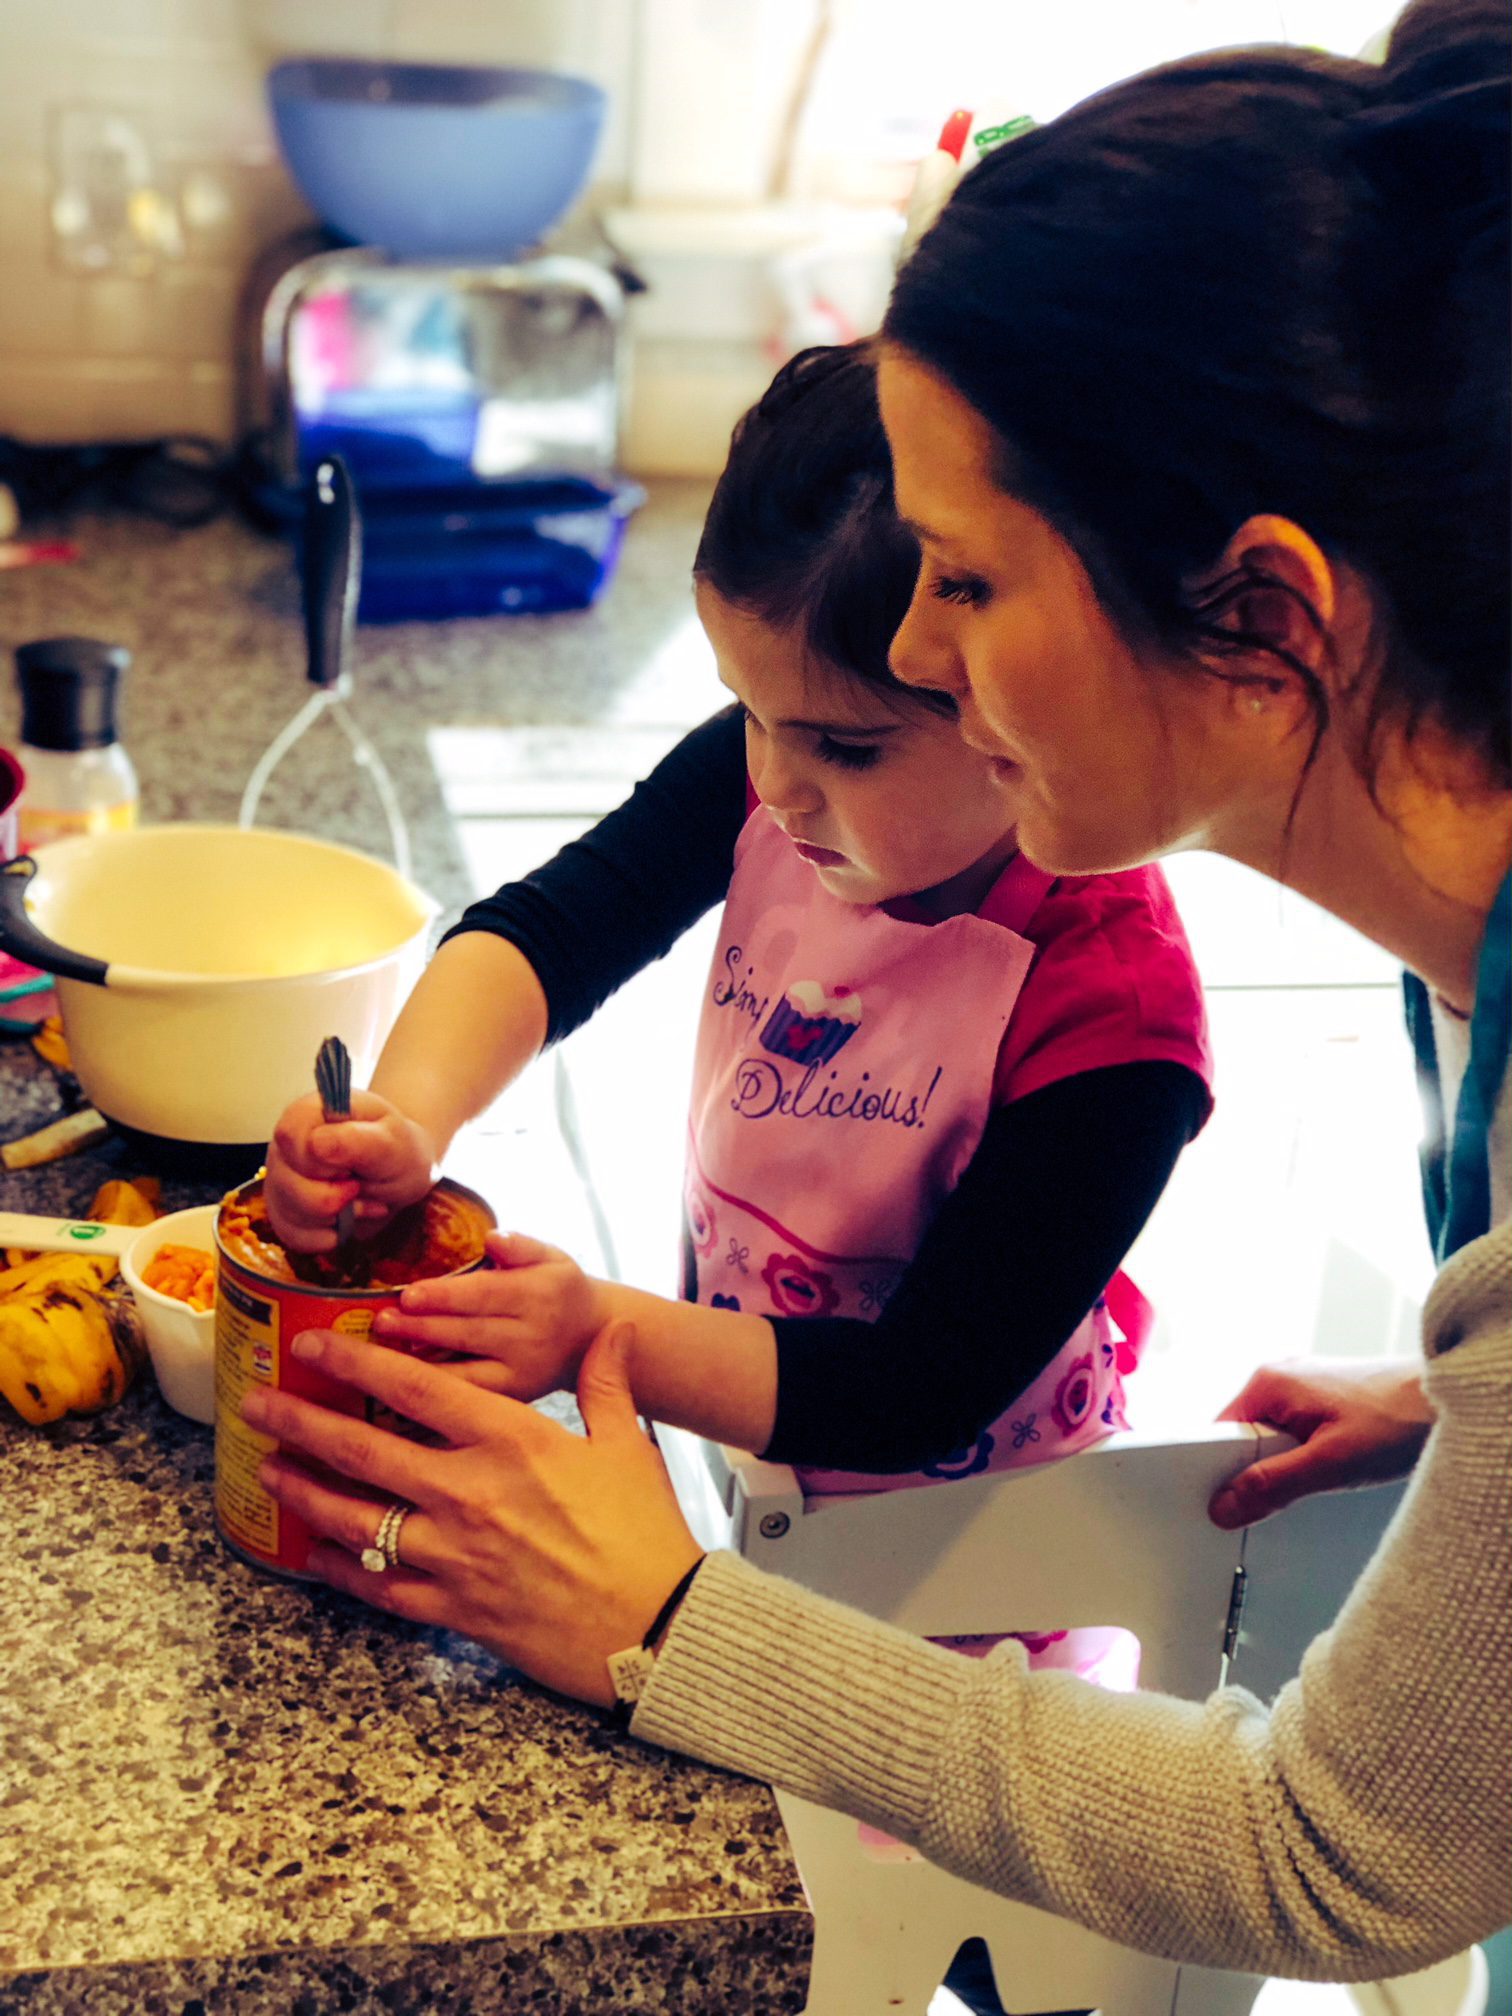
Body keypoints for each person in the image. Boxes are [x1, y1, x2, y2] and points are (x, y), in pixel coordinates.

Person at [240, 0, 1511, 1991]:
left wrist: (664, 1620)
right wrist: (1476, 1427)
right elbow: (559, 919)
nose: (916, 649)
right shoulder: (1473, 970)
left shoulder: (1128, 1006)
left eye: (966, 582)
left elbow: (1341, 1872)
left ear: (1262, 615)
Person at [266, 338, 1211, 1518]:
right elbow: (551, 929)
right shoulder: (788, 758)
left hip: (963, 1570)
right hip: (750, 1467)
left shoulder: (1111, 1019)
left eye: (847, 748)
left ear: (1024, 701)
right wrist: (404, 1119)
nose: (777, 779)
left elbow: (922, 1388)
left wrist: (596, 1333)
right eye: (745, 710)